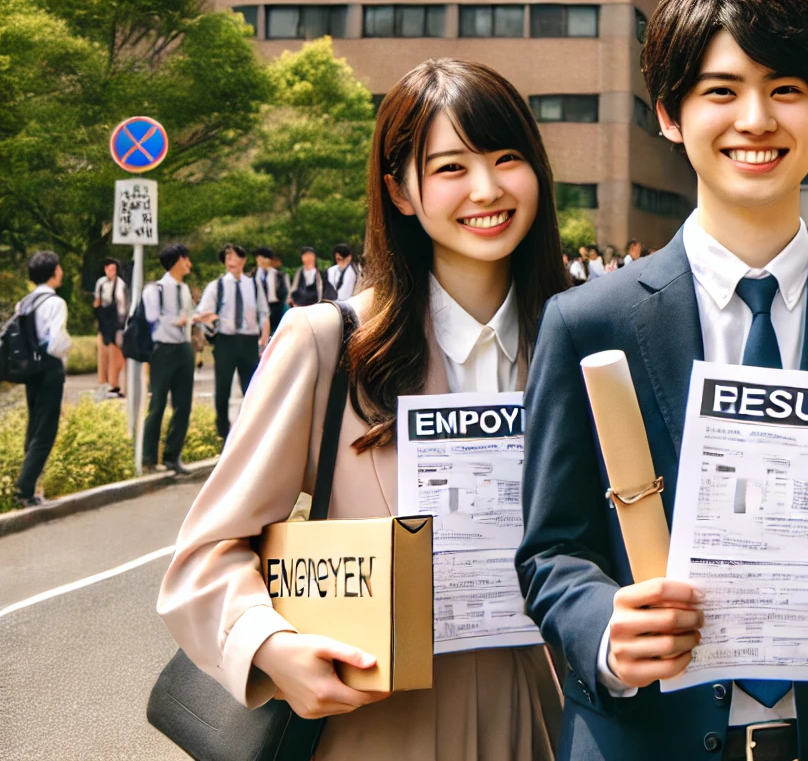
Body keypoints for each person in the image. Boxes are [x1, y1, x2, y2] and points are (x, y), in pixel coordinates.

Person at [517, 0, 808, 761]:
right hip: (648, 737)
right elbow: (552, 548)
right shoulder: (587, 324)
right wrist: (608, 628)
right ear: (670, 115)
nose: (756, 118)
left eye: (785, 88)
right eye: (721, 91)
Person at [159, 58, 567, 759]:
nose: (487, 189)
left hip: (540, 721)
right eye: (449, 168)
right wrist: (272, 646)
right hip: (372, 727)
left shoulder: (579, 347)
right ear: (400, 192)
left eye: (508, 159)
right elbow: (204, 556)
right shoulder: (329, 344)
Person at [11, 251, 72, 508]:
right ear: (53, 272)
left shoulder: (24, 303)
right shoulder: (55, 303)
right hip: (49, 370)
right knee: (46, 430)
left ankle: (28, 486)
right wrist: (68, 346)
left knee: (34, 425)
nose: (61, 271)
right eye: (59, 268)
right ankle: (25, 488)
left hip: (30, 371)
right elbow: (56, 342)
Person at [196, 244, 271, 442]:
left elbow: (264, 313)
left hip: (248, 342)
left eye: (236, 257)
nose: (232, 262)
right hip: (225, 341)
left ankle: (251, 433)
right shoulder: (216, 286)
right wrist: (209, 323)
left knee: (252, 389)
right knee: (222, 389)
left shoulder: (253, 285)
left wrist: (264, 338)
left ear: (243, 261)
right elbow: (202, 314)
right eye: (228, 258)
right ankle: (222, 433)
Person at [142, 244, 198, 473]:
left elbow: (191, 314)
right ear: (176, 261)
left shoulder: (184, 289)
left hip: (183, 348)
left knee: (183, 404)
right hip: (162, 350)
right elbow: (150, 318)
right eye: (186, 260)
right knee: (158, 404)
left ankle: (172, 457)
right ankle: (148, 457)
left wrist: (194, 318)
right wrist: (176, 321)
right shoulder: (154, 290)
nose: (189, 265)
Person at [93, 256, 129, 399]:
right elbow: (97, 301)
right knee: (103, 355)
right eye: (109, 269)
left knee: (116, 356)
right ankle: (104, 383)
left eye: (113, 269)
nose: (111, 272)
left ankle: (115, 384)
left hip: (116, 324)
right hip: (103, 323)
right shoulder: (100, 283)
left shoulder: (120, 285)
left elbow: (123, 306)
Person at [252, 247, 289, 335]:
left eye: (263, 258)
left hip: (276, 307)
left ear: (269, 260)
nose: (261, 261)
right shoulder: (253, 276)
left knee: (276, 333)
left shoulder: (278, 275)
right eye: (258, 258)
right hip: (258, 308)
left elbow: (284, 291)